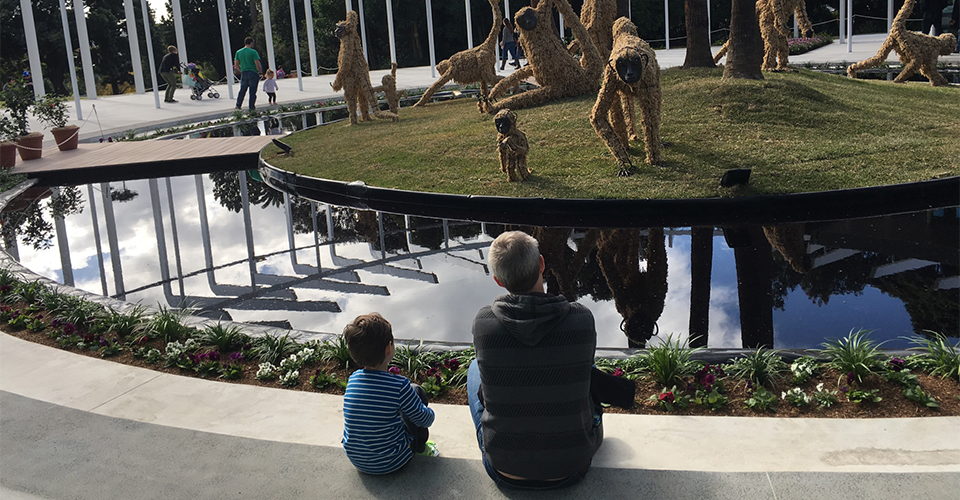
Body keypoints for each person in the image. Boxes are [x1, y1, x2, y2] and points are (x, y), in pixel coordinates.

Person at [467, 230, 603, 489]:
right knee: (585, 365)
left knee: (476, 367)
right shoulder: (581, 319)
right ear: (541, 264)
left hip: (503, 470)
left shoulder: (484, 322)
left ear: (497, 280)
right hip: (573, 468)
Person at [341, 312, 438, 474]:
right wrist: (429, 413)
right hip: (392, 461)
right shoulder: (399, 386)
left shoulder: (353, 380)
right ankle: (421, 447)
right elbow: (425, 420)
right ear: (388, 348)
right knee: (416, 391)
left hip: (357, 460)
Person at [233, 37, 263, 111]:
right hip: (253, 72)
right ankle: (251, 107)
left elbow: (236, 64)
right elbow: (257, 63)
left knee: (242, 90)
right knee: (252, 91)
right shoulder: (253, 52)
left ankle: (238, 105)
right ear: (251, 43)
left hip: (244, 72)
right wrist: (260, 72)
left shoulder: (238, 52)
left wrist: (241, 70)